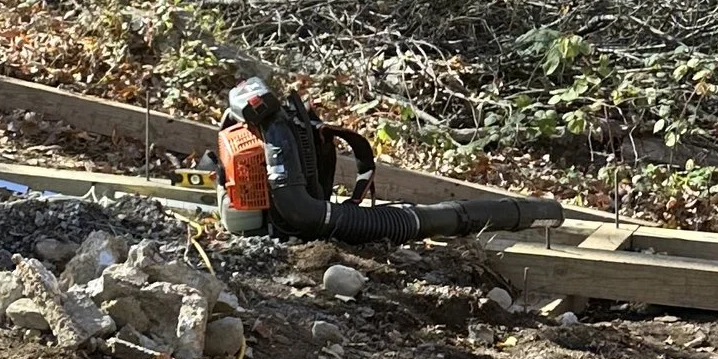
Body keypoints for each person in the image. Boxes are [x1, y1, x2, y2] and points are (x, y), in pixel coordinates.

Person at [216, 77, 560, 245]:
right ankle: (540, 213)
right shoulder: (256, 142)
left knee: (428, 218)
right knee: (426, 219)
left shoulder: (271, 133)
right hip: (290, 215)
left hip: (295, 213)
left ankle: (544, 214)